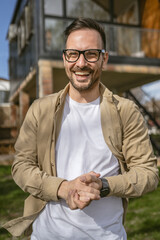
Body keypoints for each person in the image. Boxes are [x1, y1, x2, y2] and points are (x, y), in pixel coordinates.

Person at [3, 18, 159, 239]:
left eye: (91, 54)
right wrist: (63, 188)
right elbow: (21, 166)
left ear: (104, 59)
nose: (81, 63)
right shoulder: (40, 110)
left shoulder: (126, 112)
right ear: (64, 58)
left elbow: (148, 174)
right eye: (73, 54)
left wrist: (103, 186)